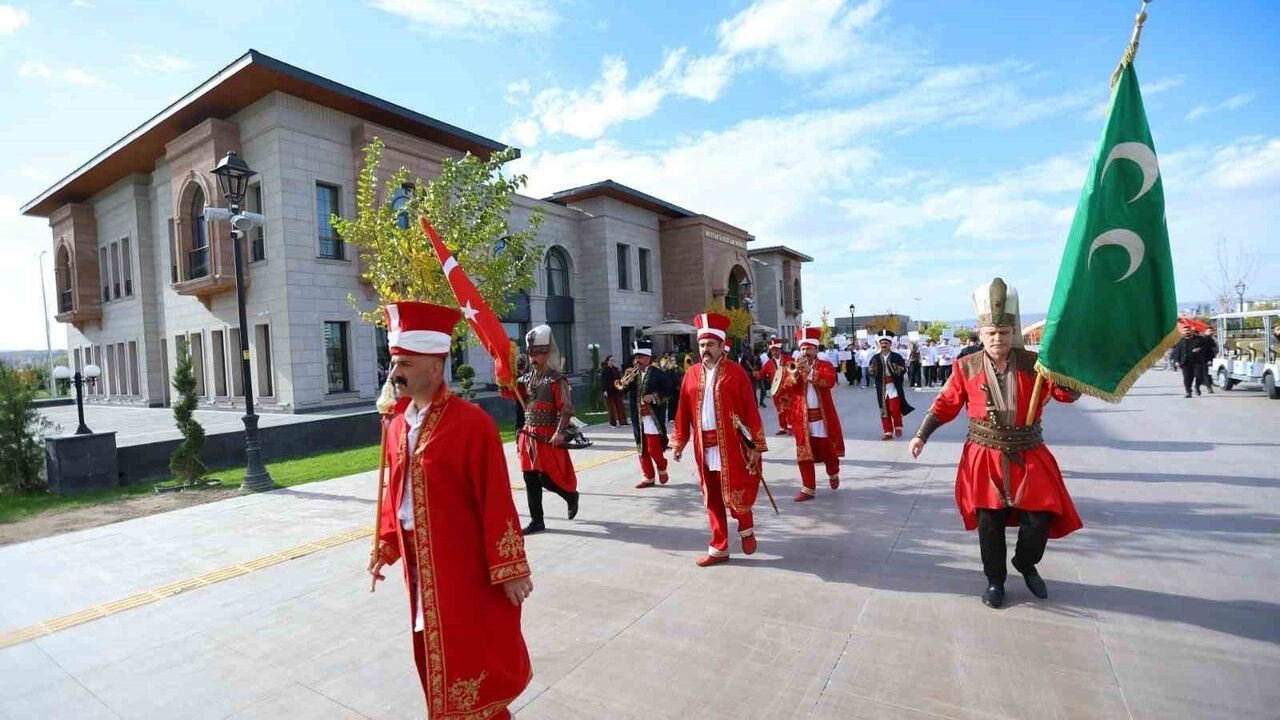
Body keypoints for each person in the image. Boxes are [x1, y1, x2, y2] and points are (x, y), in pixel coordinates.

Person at [370, 301, 533, 719]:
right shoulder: (396, 424)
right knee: (430, 649)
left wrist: (511, 566)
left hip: (464, 566)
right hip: (418, 565)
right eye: (394, 362)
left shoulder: (471, 424)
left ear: (435, 367)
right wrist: (386, 542)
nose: (395, 372)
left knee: (473, 656)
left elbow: (496, 498)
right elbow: (396, 493)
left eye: (405, 362)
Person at [909, 278, 1082, 609]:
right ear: (981, 334)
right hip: (983, 454)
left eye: (1003, 333)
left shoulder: (1036, 365)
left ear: (1012, 331)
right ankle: (995, 581)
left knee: (1040, 517)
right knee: (990, 523)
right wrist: (921, 434)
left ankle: (1025, 561)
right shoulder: (966, 366)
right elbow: (945, 403)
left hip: (1029, 451)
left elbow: (1063, 393)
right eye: (991, 334)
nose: (998, 339)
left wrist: (1068, 370)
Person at [672, 312, 769, 567]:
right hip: (704, 447)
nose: (705, 349)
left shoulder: (736, 373)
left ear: (720, 345)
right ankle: (719, 547)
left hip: (732, 447)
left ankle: (746, 528)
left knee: (736, 494)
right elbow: (682, 409)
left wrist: (756, 445)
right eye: (702, 344)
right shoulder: (691, 374)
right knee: (712, 497)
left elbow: (751, 409)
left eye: (710, 344)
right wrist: (680, 441)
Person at [511, 325, 579, 534]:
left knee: (546, 478)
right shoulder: (526, 379)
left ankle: (570, 496)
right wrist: (504, 378)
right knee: (529, 478)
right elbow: (510, 392)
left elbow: (566, 409)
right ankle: (537, 521)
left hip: (547, 434)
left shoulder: (556, 379)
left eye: (538, 353)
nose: (533, 358)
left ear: (547, 354)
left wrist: (560, 431)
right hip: (527, 435)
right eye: (531, 353)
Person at [779, 327, 845, 501]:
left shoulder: (825, 365)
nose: (805, 352)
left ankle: (833, 471)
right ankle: (808, 487)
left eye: (808, 348)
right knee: (803, 452)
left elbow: (830, 381)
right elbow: (786, 388)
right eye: (802, 349)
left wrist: (810, 372)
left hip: (822, 418)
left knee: (828, 450)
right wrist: (793, 376)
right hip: (801, 418)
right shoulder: (793, 367)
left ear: (816, 350)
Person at [625, 340, 675, 488]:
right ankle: (648, 477)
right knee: (642, 447)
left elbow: (669, 392)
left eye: (640, 357)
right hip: (638, 416)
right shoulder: (632, 374)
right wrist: (627, 382)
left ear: (647, 358)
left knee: (654, 448)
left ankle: (662, 465)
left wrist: (653, 397)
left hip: (653, 417)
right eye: (635, 358)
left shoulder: (659, 374)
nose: (637, 361)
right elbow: (622, 390)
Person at [868, 332, 914, 439]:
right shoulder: (875, 357)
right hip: (881, 387)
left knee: (895, 408)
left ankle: (898, 426)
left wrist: (897, 368)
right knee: (884, 410)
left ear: (890, 344)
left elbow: (903, 369)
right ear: (879, 344)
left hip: (894, 386)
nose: (884, 345)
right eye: (882, 343)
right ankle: (887, 431)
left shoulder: (896, 356)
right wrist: (871, 370)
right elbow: (871, 370)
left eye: (886, 343)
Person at [758, 338, 791, 435]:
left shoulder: (788, 359)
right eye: (773, 350)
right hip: (776, 390)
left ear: (780, 349)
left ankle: (790, 427)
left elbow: (795, 371)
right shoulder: (768, 363)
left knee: (789, 408)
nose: (774, 352)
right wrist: (755, 374)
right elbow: (761, 374)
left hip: (788, 388)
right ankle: (783, 427)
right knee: (780, 409)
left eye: (776, 349)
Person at [1173, 325, 1208, 398]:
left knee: (1199, 376)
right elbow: (1176, 351)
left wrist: (1200, 349)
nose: (1187, 332)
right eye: (1185, 331)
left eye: (1188, 330)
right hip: (1185, 363)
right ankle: (1188, 392)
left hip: (1197, 362)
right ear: (1183, 332)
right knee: (1187, 378)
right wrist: (1176, 361)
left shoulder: (1199, 339)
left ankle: (1197, 386)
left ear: (1191, 331)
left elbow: (1206, 347)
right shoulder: (1180, 341)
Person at [601, 354, 626, 426]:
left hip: (617, 390)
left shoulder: (615, 369)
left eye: (613, 360)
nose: (612, 361)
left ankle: (623, 422)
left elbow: (619, 378)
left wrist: (621, 385)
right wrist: (604, 390)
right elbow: (603, 381)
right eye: (611, 360)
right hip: (609, 391)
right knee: (611, 408)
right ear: (607, 361)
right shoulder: (605, 370)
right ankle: (613, 423)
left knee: (620, 406)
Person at [1197, 326, 1218, 393]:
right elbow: (1205, 350)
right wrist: (1209, 359)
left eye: (1212, 331)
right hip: (1203, 359)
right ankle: (1208, 386)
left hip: (1208, 358)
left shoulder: (1211, 339)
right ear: (1205, 332)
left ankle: (1207, 384)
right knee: (1205, 373)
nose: (1211, 332)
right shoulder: (1204, 339)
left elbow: (1213, 349)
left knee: (1205, 373)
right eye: (1209, 331)